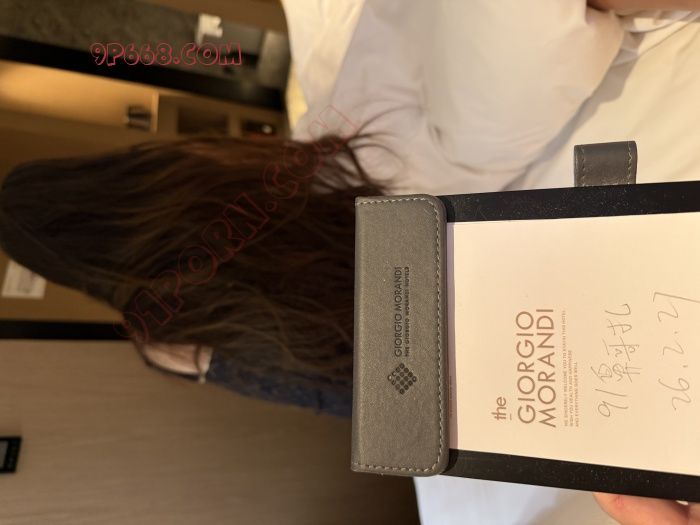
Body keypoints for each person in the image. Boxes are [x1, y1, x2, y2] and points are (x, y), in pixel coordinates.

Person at [1, 0, 699, 523]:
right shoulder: (242, 179)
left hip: (444, 393)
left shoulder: (167, 339)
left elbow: (331, 394)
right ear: (117, 178)